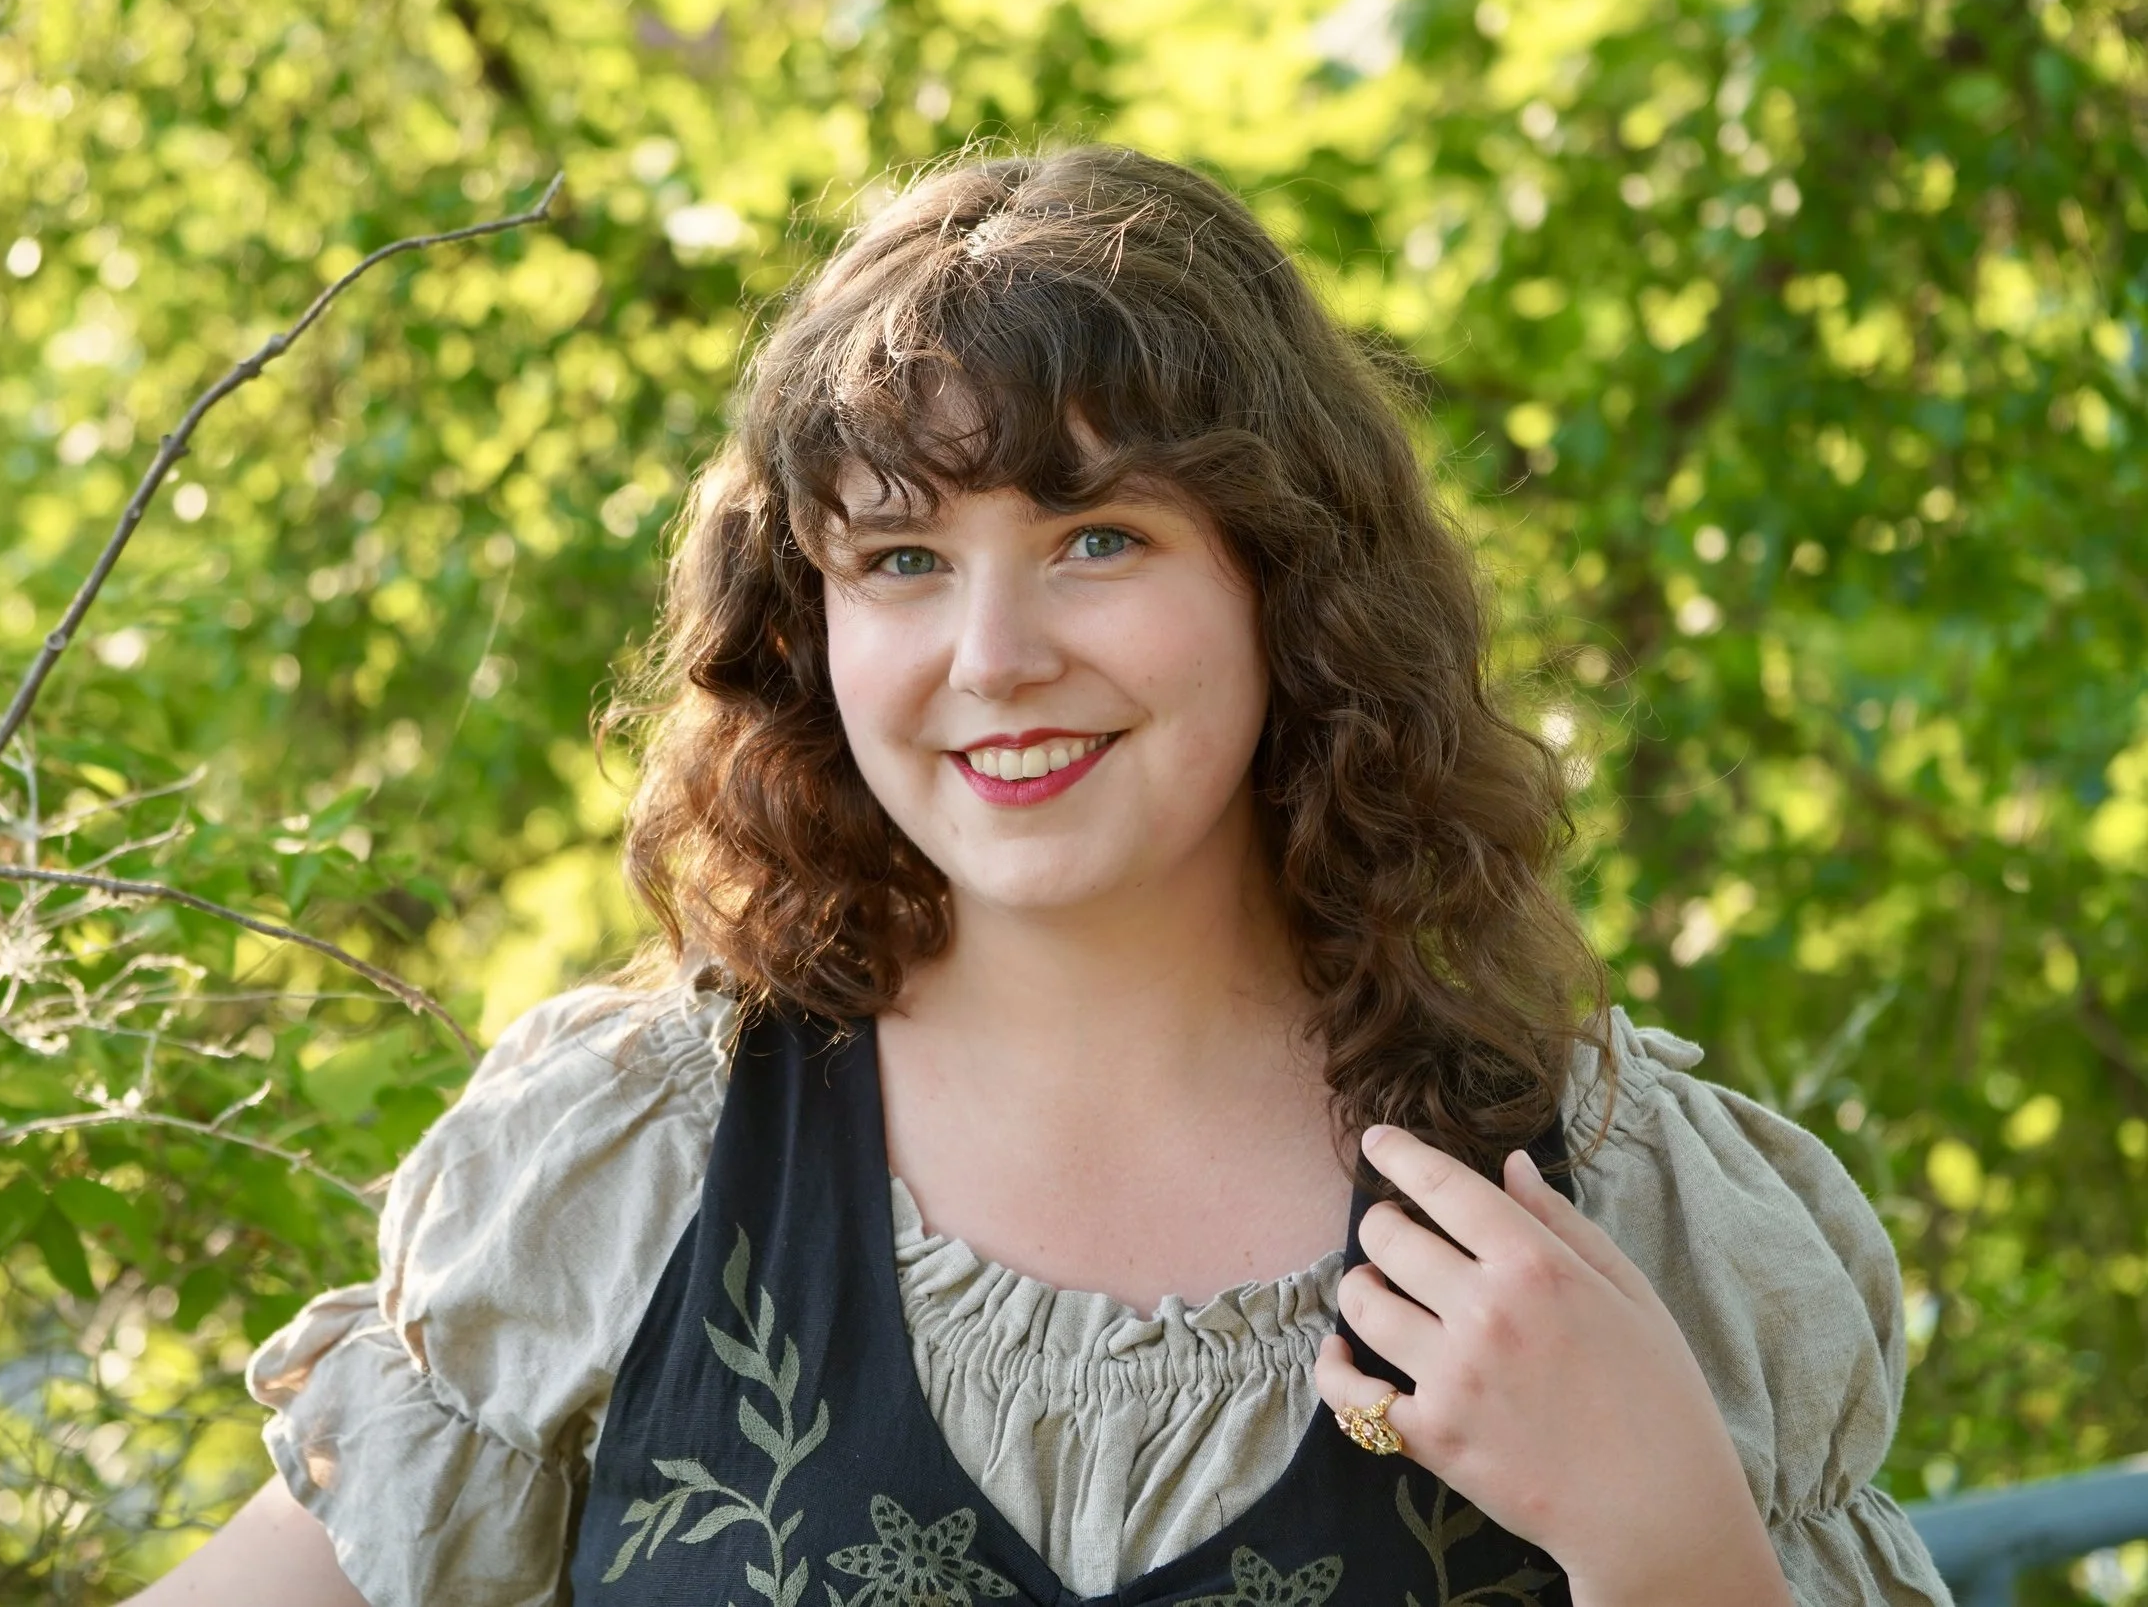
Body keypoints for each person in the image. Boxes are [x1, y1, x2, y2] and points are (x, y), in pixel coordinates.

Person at [126, 145, 1951, 1607]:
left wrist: (1681, 1557)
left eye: (1097, 536)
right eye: (903, 559)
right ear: (809, 623)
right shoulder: (639, 1162)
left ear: (1286, 587)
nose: (991, 656)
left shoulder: (1609, 1210)